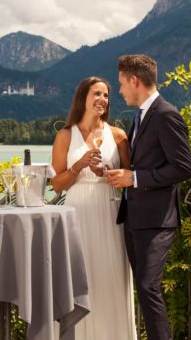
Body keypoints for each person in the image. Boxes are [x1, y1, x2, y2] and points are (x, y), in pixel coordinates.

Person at [106, 54, 191, 340]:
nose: (119, 91)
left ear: (134, 80)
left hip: (157, 221)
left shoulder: (166, 114)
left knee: (148, 287)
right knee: (143, 290)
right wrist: (117, 173)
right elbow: (141, 163)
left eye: (121, 84)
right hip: (135, 218)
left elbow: (182, 168)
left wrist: (135, 178)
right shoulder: (140, 115)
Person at [51, 76, 137, 339]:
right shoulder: (65, 135)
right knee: (78, 280)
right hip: (76, 217)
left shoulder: (119, 136)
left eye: (106, 95)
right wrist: (79, 165)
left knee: (109, 279)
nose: (102, 100)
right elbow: (56, 184)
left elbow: (129, 181)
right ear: (83, 99)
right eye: (96, 94)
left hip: (110, 216)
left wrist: (106, 172)